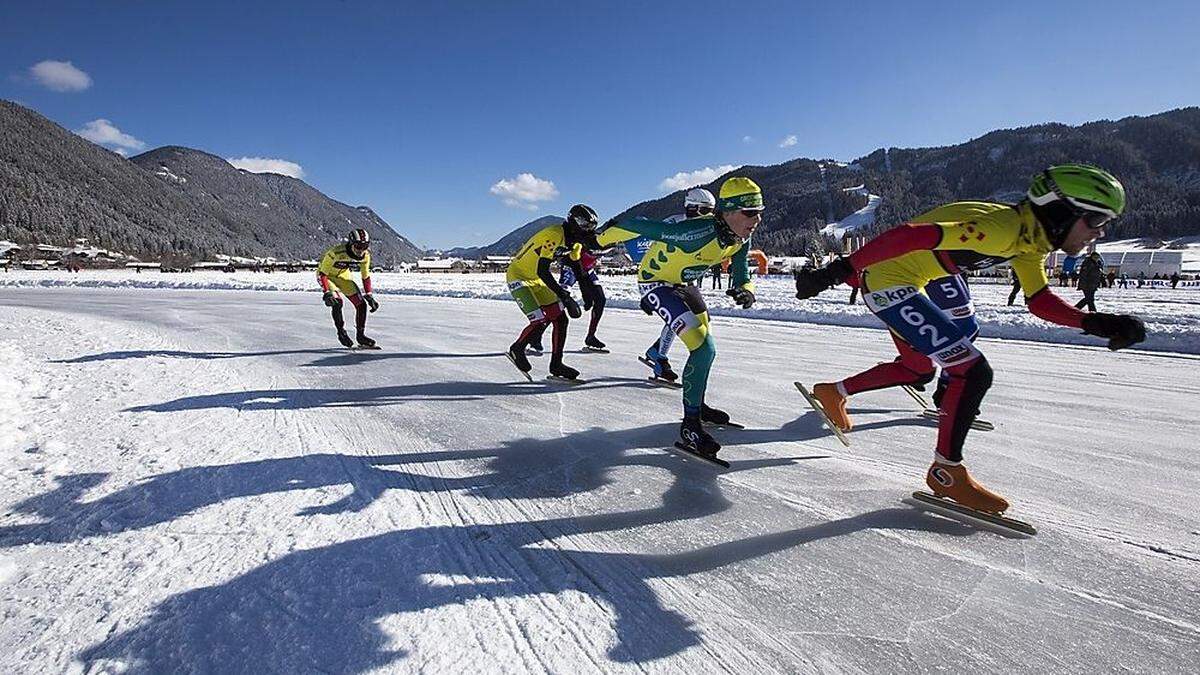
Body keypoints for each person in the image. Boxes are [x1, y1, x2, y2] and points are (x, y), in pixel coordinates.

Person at [795, 163, 1146, 514]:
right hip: (888, 285)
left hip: (903, 284)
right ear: (1060, 210)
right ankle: (946, 472)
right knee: (972, 370)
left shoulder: (1031, 240)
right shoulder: (1001, 230)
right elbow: (909, 235)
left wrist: (1094, 321)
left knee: (917, 371)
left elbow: (1038, 300)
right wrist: (837, 270)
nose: (1099, 233)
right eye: (1096, 220)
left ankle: (833, 391)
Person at [596, 177, 765, 458]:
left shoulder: (740, 237)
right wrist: (599, 238)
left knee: (705, 345)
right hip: (656, 283)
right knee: (703, 347)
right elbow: (639, 225)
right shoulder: (695, 231)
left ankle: (698, 403)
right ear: (728, 211)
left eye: (760, 211)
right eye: (750, 212)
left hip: (683, 284)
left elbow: (740, 274)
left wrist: (746, 290)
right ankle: (690, 425)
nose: (757, 219)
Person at [504, 204, 595, 381]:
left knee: (561, 320)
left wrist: (586, 292)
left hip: (536, 279)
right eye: (585, 226)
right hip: (519, 276)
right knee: (539, 319)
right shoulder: (554, 235)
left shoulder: (575, 242)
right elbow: (543, 271)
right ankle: (517, 348)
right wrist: (565, 297)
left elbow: (577, 267)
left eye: (591, 227)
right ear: (574, 222)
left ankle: (556, 364)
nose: (588, 231)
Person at [640, 188, 717, 382]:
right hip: (658, 280)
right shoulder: (674, 223)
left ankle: (656, 350)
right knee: (679, 319)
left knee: (703, 321)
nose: (708, 216)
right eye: (703, 211)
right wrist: (647, 292)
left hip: (683, 281)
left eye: (711, 211)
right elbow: (650, 249)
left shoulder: (708, 228)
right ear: (691, 209)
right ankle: (660, 358)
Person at [317, 229, 380, 348]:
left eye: (365, 246)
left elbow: (365, 276)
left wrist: (369, 295)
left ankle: (361, 336)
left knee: (361, 304)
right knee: (337, 302)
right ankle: (341, 332)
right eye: (358, 246)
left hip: (343, 277)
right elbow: (323, 274)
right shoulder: (335, 253)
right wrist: (327, 292)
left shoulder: (365, 256)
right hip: (327, 276)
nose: (361, 250)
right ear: (351, 244)